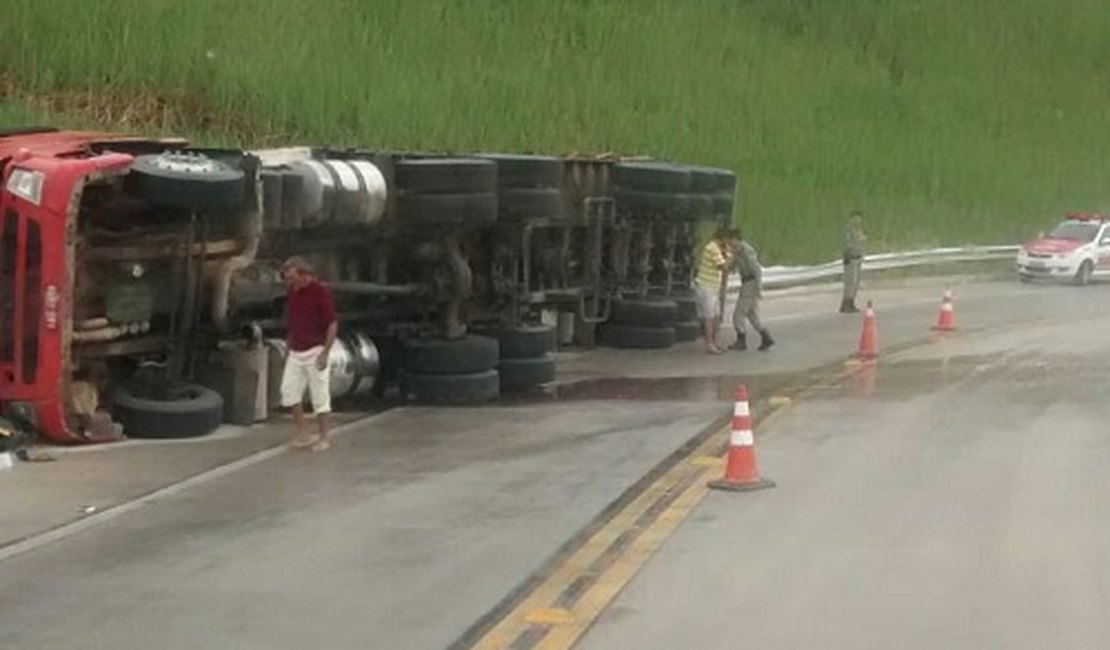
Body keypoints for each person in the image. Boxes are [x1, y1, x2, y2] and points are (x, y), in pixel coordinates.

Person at [280, 256, 338, 452]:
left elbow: (332, 322)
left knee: (319, 395)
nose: (290, 282)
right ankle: (303, 432)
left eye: (292, 278)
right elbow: (293, 322)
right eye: (288, 278)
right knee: (289, 392)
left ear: (304, 275)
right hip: (296, 349)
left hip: (315, 349)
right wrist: (288, 346)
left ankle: (324, 437)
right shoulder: (292, 293)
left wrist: (325, 352)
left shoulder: (320, 292)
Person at [728, 228, 774, 352]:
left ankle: (741, 340)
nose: (730, 243)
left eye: (731, 240)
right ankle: (766, 337)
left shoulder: (746, 251)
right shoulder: (737, 251)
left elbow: (756, 269)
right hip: (747, 282)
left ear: (736, 239)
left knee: (738, 314)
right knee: (752, 314)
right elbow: (733, 266)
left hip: (750, 284)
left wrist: (759, 288)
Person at [694, 227, 732, 354]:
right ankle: (710, 343)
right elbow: (723, 266)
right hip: (707, 286)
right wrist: (730, 255)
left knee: (715, 316)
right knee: (709, 317)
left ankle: (714, 342)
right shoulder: (713, 249)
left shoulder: (716, 248)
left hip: (713, 286)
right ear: (723, 238)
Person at [841, 211, 867, 313]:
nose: (858, 221)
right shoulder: (849, 231)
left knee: (856, 282)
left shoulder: (859, 231)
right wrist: (846, 256)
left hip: (858, 258)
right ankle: (846, 304)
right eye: (855, 218)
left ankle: (851, 302)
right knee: (850, 283)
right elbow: (846, 244)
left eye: (859, 219)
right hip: (850, 259)